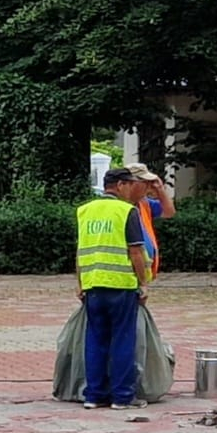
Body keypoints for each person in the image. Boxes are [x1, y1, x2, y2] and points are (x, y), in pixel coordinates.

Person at [75, 168, 152, 410]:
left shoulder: (84, 211)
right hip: (121, 286)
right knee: (122, 340)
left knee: (95, 341)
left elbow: (80, 251)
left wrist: (80, 283)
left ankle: (93, 396)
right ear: (120, 185)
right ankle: (122, 397)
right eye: (130, 184)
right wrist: (143, 282)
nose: (133, 189)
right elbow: (136, 251)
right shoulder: (126, 211)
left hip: (93, 286)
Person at [125, 162, 175, 278]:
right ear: (132, 183)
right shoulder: (119, 206)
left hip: (140, 272)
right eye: (145, 183)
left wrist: (160, 190)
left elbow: (169, 212)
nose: (148, 187)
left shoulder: (144, 203)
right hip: (126, 271)